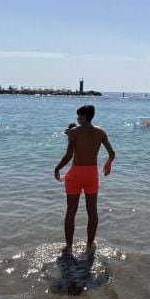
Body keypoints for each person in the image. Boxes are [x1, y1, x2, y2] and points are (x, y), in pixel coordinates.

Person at [54, 104, 115, 250]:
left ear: (84, 116)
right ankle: (89, 245)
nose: (77, 118)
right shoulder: (100, 132)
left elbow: (69, 156)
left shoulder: (73, 132)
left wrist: (57, 168)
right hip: (91, 174)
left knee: (71, 211)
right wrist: (108, 164)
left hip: (75, 174)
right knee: (92, 210)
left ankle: (68, 246)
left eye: (79, 116)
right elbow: (112, 153)